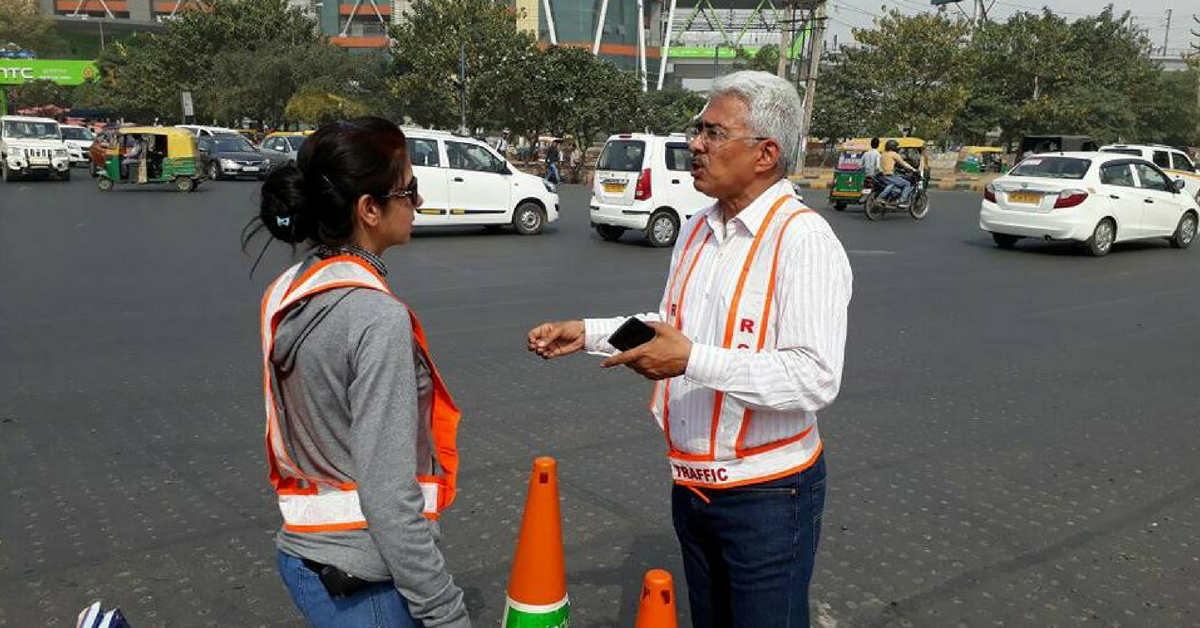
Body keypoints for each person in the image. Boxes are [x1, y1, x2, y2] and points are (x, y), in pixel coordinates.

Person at [527, 71, 852, 628]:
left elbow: (815, 376)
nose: (694, 145)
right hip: (692, 485)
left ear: (765, 153)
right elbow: (671, 327)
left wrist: (692, 361)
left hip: (769, 497)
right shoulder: (697, 226)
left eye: (713, 133)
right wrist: (589, 331)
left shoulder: (804, 241)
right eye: (696, 130)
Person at [248, 117, 471, 628]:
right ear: (369, 209)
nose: (417, 202)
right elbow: (389, 496)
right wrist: (445, 613)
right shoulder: (375, 318)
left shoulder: (288, 289)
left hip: (306, 555)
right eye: (409, 190)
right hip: (363, 575)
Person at [879, 139, 917, 205]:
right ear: (894, 147)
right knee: (907, 184)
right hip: (889, 175)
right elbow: (903, 163)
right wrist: (913, 169)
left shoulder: (883, 154)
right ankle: (902, 200)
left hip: (882, 175)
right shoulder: (894, 154)